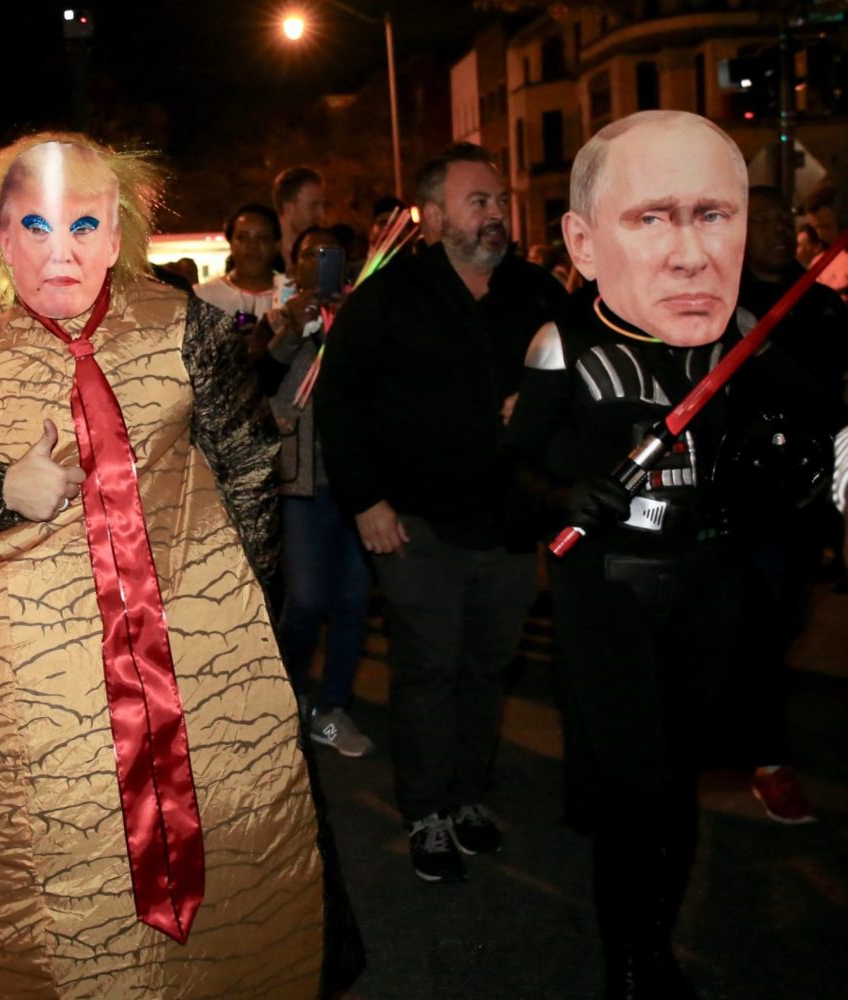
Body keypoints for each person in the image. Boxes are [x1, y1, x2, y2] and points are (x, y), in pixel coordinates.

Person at [0, 132, 350, 999]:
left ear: (116, 234)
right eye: (36, 226)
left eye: (83, 224)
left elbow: (244, 468)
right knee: (77, 865)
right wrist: (4, 488)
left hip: (194, 650)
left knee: (241, 827)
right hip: (46, 677)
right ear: (3, 240)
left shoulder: (186, 327)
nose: (61, 250)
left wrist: (249, 617)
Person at [504, 110, 843, 998]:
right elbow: (510, 466)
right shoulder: (563, 344)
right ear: (585, 242)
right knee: (634, 792)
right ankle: (629, 962)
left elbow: (812, 427)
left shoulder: (742, 337)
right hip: (608, 598)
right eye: (652, 218)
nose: (689, 254)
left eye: (712, 216)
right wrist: (562, 497)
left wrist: (799, 469)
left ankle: (654, 947)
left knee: (679, 784)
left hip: (709, 587)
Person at [315, 142, 566, 883]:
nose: (496, 214)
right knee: (429, 669)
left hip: (509, 520)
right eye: (478, 201)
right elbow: (341, 400)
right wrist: (366, 500)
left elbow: (582, 377)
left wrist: (540, 407)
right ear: (431, 217)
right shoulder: (389, 297)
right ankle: (425, 809)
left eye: (500, 201)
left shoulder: (536, 291)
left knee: (488, 669)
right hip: (415, 523)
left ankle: (467, 796)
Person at [731, 184, 848, 823]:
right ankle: (768, 760)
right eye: (765, 220)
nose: (780, 231)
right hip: (749, 495)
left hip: (811, 491)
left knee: (789, 618)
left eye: (787, 219)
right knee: (763, 623)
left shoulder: (821, 303)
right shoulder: (724, 302)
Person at [258, 225, 373, 757]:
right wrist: (290, 331)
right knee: (305, 600)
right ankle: (290, 697)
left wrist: (346, 328)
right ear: (295, 261)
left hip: (355, 482)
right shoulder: (275, 316)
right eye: (311, 254)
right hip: (300, 480)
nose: (319, 263)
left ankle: (332, 709)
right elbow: (257, 379)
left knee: (353, 600)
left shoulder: (360, 314)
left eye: (331, 256)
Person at [193, 203, 284, 358]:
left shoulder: (291, 295)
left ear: (276, 245)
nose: (252, 245)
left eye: (262, 238)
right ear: (230, 243)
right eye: (242, 237)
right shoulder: (202, 296)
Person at [273, 164, 327, 265]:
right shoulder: (265, 259)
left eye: (323, 206)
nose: (321, 214)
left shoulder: (324, 259)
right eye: (313, 206)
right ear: (289, 208)